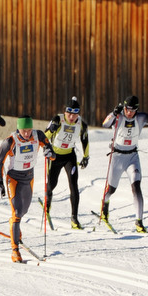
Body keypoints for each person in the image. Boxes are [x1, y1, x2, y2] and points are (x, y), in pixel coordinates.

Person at [0, 116, 56, 262]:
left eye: (29, 130)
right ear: (18, 129)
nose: (27, 134)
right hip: (13, 179)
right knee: (16, 213)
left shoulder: (38, 135)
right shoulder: (10, 141)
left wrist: (50, 154)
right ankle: (15, 250)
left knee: (24, 211)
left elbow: (52, 153)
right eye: (24, 131)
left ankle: (15, 229)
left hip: (29, 178)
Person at [100, 96, 148, 233]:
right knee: (111, 189)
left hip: (132, 157)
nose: (129, 113)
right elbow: (105, 124)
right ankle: (105, 203)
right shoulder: (119, 117)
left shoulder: (140, 117)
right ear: (124, 107)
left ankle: (139, 221)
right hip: (117, 157)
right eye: (127, 109)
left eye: (133, 110)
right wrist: (113, 113)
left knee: (136, 186)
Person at [44, 97, 90, 229]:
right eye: (69, 113)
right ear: (65, 112)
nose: (71, 116)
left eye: (75, 114)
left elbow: (85, 141)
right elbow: (44, 137)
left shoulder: (82, 124)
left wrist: (86, 157)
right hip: (54, 155)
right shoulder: (58, 119)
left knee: (73, 185)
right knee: (52, 183)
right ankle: (47, 207)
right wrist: (51, 130)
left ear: (78, 114)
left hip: (69, 156)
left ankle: (74, 218)